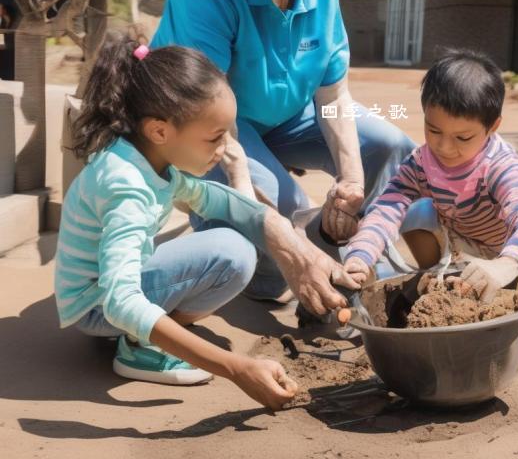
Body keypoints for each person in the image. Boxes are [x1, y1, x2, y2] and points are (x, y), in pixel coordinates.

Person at [151, 0, 416, 300]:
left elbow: (333, 92)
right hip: (211, 123)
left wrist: (351, 180)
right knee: (287, 214)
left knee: (391, 146)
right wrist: (288, 229)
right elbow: (207, 114)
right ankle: (277, 267)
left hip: (288, 115)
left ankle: (369, 259)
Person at [54, 33, 358, 408]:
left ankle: (149, 334)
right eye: (215, 137)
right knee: (229, 252)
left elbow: (217, 201)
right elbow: (120, 300)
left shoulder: (148, 159)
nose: (225, 148)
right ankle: (138, 347)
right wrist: (235, 368)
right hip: (97, 305)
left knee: (236, 250)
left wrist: (296, 245)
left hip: (105, 290)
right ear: (160, 130)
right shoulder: (127, 188)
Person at [343, 48, 518, 359]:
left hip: (515, 262)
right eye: (433, 130)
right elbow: (388, 206)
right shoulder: (421, 162)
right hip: (465, 254)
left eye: (463, 138)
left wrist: (504, 265)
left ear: (492, 126)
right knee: (417, 210)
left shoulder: (499, 165)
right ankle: (435, 282)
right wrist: (360, 256)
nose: (444, 147)